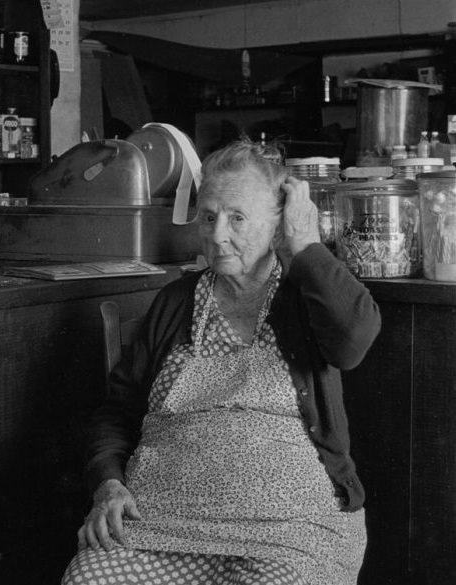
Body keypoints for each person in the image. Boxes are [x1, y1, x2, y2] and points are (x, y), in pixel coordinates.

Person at [62, 139, 381, 585]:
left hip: (288, 531)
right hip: (160, 525)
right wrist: (108, 484)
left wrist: (305, 243)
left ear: (276, 224)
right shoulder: (175, 302)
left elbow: (353, 339)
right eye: (208, 217)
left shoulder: (305, 295)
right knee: (88, 579)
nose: (217, 234)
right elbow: (118, 411)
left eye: (237, 218)